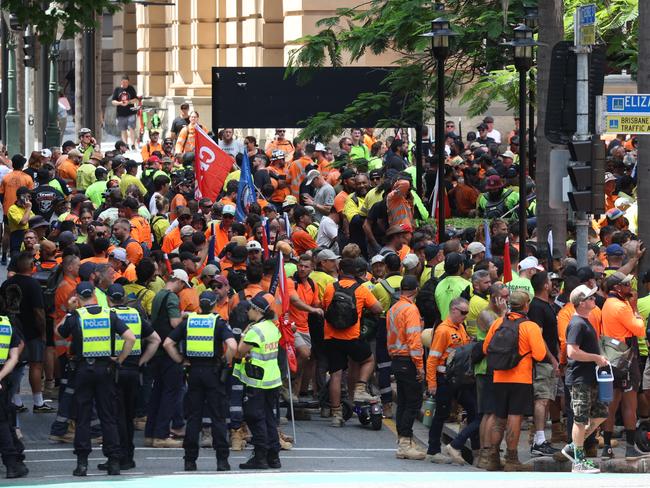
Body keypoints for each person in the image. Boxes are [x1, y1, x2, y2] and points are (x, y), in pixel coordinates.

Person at [57, 281, 136, 476]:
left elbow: (59, 331)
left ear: (78, 295)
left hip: (83, 370)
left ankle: (82, 463)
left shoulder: (77, 316)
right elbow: (131, 338)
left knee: (83, 417)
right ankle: (114, 461)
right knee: (108, 416)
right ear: (94, 293)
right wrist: (119, 359)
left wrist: (69, 309)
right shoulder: (109, 315)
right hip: (105, 370)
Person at [164, 291, 237, 472]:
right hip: (213, 372)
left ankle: (190, 460)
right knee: (218, 417)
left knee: (194, 418)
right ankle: (222, 461)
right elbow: (233, 346)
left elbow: (167, 343)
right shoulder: (217, 322)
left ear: (200, 304)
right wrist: (224, 362)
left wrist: (181, 360)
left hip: (193, 372)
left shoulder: (189, 321)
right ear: (213, 304)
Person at [482, 290, 546, 471]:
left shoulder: (497, 323)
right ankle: (511, 459)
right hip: (521, 379)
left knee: (498, 417)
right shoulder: (530, 326)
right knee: (514, 417)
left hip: (498, 377)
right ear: (526, 305)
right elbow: (540, 355)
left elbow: (486, 348)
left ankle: (492, 457)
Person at [104, 284, 160, 471]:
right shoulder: (135, 315)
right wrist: (141, 361)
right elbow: (155, 340)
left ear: (109, 299)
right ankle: (128, 457)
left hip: (115, 370)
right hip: (134, 372)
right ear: (124, 298)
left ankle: (117, 456)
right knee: (128, 416)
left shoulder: (107, 316)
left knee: (114, 416)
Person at [322, 257, 383, 426]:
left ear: (340, 271)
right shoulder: (361, 290)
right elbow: (378, 308)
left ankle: (336, 415)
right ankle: (360, 388)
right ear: (356, 273)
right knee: (368, 359)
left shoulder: (330, 288)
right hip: (352, 337)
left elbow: (324, 307)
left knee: (336, 374)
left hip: (332, 337)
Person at [562, 284, 609, 474]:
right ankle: (578, 461)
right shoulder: (577, 323)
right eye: (590, 298)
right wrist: (596, 358)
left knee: (600, 414)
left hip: (589, 377)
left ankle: (574, 447)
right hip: (580, 378)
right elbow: (572, 352)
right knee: (580, 420)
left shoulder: (585, 321)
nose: (594, 299)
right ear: (581, 303)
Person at [426, 297, 479, 465]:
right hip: (445, 379)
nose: (465, 316)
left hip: (459, 380)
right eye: (463, 312)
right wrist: (432, 383)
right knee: (441, 414)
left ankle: (467, 447)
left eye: (467, 313)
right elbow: (432, 359)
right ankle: (433, 451)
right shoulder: (443, 331)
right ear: (454, 310)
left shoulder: (460, 327)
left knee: (474, 410)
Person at [233, 292, 283, 469]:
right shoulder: (271, 326)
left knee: (255, 417)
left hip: (257, 380)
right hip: (273, 379)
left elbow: (239, 351)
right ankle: (273, 456)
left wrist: (243, 334)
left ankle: (260, 456)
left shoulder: (255, 330)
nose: (247, 312)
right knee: (269, 416)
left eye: (250, 309)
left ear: (256, 310)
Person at [600, 271, 646, 460]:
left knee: (612, 404)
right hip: (626, 357)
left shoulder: (608, 304)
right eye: (626, 285)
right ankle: (629, 447)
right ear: (616, 288)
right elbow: (640, 329)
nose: (630, 288)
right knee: (629, 403)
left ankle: (607, 448)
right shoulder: (621, 307)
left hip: (611, 357)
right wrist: (636, 311)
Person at [0, 252, 51, 412]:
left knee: (15, 366)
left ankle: (16, 401)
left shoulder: (6, 284)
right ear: (31, 266)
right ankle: (38, 402)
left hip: (12, 330)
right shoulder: (33, 284)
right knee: (36, 365)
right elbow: (39, 312)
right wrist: (43, 332)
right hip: (31, 331)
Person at [144, 269, 187, 448]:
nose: (182, 289)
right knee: (170, 393)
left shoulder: (158, 295)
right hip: (169, 352)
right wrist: (185, 318)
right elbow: (174, 323)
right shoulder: (171, 297)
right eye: (183, 285)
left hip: (157, 351)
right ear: (178, 281)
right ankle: (161, 435)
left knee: (157, 393)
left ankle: (150, 434)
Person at [386, 275, 425, 460]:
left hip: (396, 358)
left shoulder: (394, 308)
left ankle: (404, 440)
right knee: (413, 403)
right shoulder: (410, 309)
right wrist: (419, 366)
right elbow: (414, 340)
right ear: (416, 290)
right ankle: (404, 443)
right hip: (408, 359)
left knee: (403, 402)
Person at [0, 308, 27, 479]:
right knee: (3, 422)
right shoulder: (5, 324)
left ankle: (13, 461)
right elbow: (14, 356)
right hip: (2, 378)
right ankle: (12, 463)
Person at [111, 75, 138, 149]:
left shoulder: (131, 89)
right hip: (121, 114)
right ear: (121, 82)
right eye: (123, 82)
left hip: (131, 113)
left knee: (132, 128)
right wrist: (120, 103)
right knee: (123, 130)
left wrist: (128, 102)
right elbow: (113, 101)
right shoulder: (117, 89)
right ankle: (125, 145)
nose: (124, 83)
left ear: (128, 82)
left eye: (126, 82)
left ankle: (132, 144)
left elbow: (136, 99)